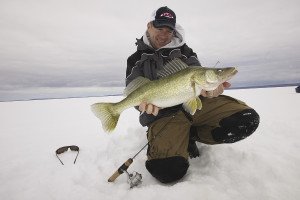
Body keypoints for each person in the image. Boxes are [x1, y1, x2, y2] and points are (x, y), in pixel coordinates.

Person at [126, 6, 260, 184]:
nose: (164, 35)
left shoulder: (185, 52)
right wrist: (140, 105)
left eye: (169, 30)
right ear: (149, 25)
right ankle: (176, 137)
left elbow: (201, 80)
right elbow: (133, 90)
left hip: (194, 108)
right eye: (160, 28)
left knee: (246, 120)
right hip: (162, 115)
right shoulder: (135, 59)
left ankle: (191, 133)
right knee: (167, 171)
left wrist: (212, 89)